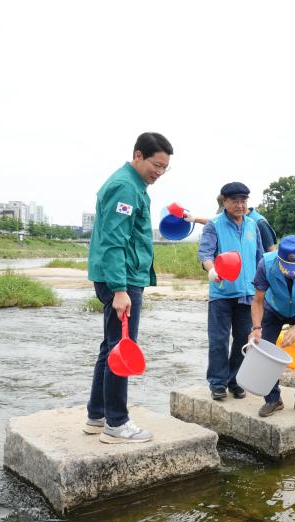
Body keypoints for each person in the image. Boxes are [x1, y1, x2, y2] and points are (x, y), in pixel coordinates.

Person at [85, 132, 173, 443]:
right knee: (123, 348)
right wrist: (120, 289)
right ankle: (117, 423)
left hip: (122, 276)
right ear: (138, 155)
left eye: (165, 168)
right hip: (121, 279)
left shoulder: (133, 185)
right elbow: (114, 241)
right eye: (156, 165)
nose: (159, 172)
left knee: (110, 346)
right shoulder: (125, 186)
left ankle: (97, 414)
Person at [198, 182, 265, 401]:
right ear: (224, 201)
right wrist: (212, 269)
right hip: (222, 293)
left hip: (247, 293)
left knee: (242, 341)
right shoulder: (214, 225)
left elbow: (259, 257)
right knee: (218, 340)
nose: (239, 204)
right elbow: (205, 254)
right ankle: (217, 383)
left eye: (243, 200)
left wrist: (264, 285)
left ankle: (235, 380)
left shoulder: (252, 225)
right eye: (234, 200)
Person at [251, 236, 295, 417]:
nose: (291, 273)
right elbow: (258, 300)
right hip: (274, 308)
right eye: (287, 268)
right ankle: (273, 399)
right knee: (263, 352)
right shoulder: (266, 264)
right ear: (278, 258)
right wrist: (256, 328)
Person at [186, 203, 278, 254]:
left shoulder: (258, 223)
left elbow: (272, 252)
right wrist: (195, 219)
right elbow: (217, 224)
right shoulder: (234, 219)